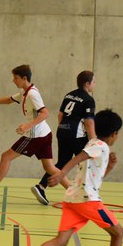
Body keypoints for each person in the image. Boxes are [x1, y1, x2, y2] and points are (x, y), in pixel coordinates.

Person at [12, 109, 123, 246]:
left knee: (61, 241)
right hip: (88, 201)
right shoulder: (100, 146)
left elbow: (95, 177)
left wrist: (109, 167)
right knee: (119, 233)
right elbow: (79, 157)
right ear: (114, 134)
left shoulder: (95, 144)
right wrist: (61, 173)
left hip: (73, 199)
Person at [0, 65, 61, 201]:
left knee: (6, 157)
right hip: (45, 134)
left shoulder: (32, 94)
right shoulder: (25, 92)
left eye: (15, 78)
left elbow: (45, 113)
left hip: (35, 136)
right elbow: (9, 100)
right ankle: (75, 191)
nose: (13, 80)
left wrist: (27, 126)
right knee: (49, 167)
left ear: (24, 78)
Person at [31, 70, 97, 206]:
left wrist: (65, 128)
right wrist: (93, 141)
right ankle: (85, 195)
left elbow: (60, 115)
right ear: (87, 83)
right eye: (94, 82)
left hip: (62, 131)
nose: (95, 85)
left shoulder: (69, 95)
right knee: (85, 163)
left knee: (62, 162)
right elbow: (89, 122)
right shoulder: (88, 100)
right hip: (76, 135)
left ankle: (41, 186)